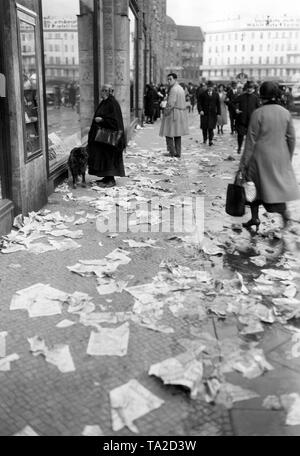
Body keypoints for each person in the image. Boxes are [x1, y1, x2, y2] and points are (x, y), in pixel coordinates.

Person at [238, 81, 300, 232]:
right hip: (279, 157)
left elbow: (250, 142)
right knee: (276, 189)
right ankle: (285, 217)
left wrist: (243, 165)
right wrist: (287, 157)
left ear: (261, 96)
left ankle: (255, 217)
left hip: (258, 159)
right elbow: (291, 138)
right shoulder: (285, 113)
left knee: (253, 189)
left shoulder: (258, 113)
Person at [87, 83, 126, 187]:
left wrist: (102, 120)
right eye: (102, 90)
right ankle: (106, 177)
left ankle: (111, 180)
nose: (102, 92)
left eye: (105, 90)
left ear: (110, 92)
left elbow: (115, 121)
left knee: (108, 157)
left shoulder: (112, 103)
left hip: (109, 137)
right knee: (103, 157)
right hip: (103, 137)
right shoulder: (105, 102)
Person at [159, 73, 189, 158]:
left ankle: (172, 152)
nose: (168, 81)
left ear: (175, 79)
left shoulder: (173, 89)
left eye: (170, 79)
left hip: (173, 113)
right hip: (180, 113)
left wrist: (165, 112)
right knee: (177, 134)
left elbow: (170, 104)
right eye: (168, 79)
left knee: (168, 133)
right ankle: (178, 152)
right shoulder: (180, 88)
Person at [234, 81, 260, 154]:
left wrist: (256, 114)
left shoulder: (255, 98)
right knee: (240, 135)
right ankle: (239, 147)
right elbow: (232, 102)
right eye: (248, 88)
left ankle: (249, 150)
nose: (249, 89)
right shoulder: (241, 96)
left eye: (251, 88)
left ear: (253, 89)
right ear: (246, 88)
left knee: (251, 137)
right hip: (241, 119)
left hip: (251, 120)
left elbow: (259, 108)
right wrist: (236, 109)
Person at [197, 81, 220, 146]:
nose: (210, 88)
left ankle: (210, 140)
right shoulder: (202, 94)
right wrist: (200, 110)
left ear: (213, 87)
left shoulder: (216, 94)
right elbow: (199, 103)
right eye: (209, 87)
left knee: (211, 128)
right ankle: (204, 139)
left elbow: (218, 105)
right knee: (204, 127)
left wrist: (218, 113)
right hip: (204, 113)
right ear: (207, 86)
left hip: (213, 114)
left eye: (211, 87)